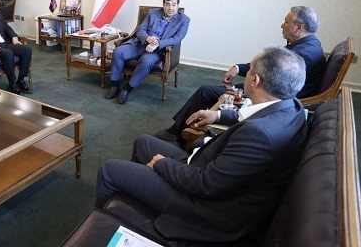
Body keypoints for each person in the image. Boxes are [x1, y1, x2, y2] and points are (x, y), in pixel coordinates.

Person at [96, 47, 308, 244]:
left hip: (203, 206)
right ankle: (136, 202)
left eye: (249, 69)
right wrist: (218, 115)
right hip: (204, 169)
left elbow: (205, 184)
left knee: (109, 171)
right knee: (143, 142)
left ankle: (103, 226)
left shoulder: (259, 135)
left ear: (255, 80)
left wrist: (161, 164)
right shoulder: (293, 107)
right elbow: (255, 117)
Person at [156, 5, 326, 143]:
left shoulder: (304, 54)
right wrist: (237, 68)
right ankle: (182, 130)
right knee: (208, 90)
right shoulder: (308, 45)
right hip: (272, 92)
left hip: (272, 98)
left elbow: (268, 71)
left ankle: (177, 134)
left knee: (205, 91)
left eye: (286, 22)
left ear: (299, 28)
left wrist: (243, 87)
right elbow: (268, 65)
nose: (282, 25)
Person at [105, 0, 190, 104]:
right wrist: (147, 38)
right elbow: (140, 30)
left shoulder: (183, 20)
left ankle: (127, 88)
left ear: (178, 5)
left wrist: (157, 44)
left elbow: (177, 38)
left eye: (174, 5)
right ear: (163, 5)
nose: (170, 8)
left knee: (146, 61)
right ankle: (115, 85)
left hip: (156, 50)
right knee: (118, 52)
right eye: (167, 4)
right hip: (139, 44)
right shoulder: (153, 13)